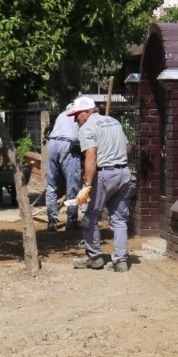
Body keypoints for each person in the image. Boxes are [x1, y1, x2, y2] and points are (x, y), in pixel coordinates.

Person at [70, 96, 133, 273]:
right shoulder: (114, 121)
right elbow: (128, 148)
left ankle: (95, 258)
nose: (76, 120)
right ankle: (120, 261)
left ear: (87, 112)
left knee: (89, 216)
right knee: (119, 219)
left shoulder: (87, 128)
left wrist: (87, 184)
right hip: (124, 173)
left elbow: (91, 157)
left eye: (77, 115)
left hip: (104, 175)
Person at [43, 100, 83, 232]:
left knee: (51, 184)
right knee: (72, 186)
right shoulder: (78, 116)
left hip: (52, 144)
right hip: (68, 145)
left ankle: (52, 221)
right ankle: (71, 222)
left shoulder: (61, 115)